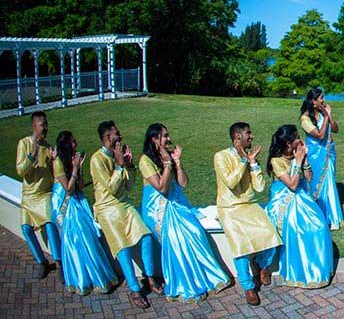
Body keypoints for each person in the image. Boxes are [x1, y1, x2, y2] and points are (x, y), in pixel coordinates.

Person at [139, 123, 230, 302]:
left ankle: (206, 277)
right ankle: (185, 283)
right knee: (175, 237)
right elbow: (162, 188)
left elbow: (183, 184)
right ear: (154, 139)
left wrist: (177, 163)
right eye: (165, 136)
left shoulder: (167, 155)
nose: (169, 139)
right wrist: (167, 164)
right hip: (157, 210)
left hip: (176, 204)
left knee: (195, 231)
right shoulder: (145, 161)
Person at [90, 120, 162, 309]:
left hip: (124, 204)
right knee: (122, 247)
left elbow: (129, 187)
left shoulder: (117, 155)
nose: (120, 135)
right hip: (106, 208)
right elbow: (112, 188)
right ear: (107, 137)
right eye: (117, 133)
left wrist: (129, 166)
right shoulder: (97, 159)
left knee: (145, 236)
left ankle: (150, 278)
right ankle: (134, 289)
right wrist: (120, 166)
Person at [214, 122, 281, 306]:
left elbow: (259, 187)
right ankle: (248, 286)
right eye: (248, 134)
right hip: (230, 208)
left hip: (250, 205)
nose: (251, 136)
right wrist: (244, 161)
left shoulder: (250, 158)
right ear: (237, 137)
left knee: (272, 236)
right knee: (240, 247)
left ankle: (260, 264)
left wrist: (253, 164)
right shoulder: (221, 156)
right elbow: (231, 182)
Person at [265, 125, 333, 288]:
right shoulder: (276, 161)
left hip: (302, 198)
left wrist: (305, 160)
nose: (300, 140)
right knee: (298, 228)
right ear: (288, 143)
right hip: (283, 200)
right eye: (296, 138)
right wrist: (297, 161)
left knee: (319, 226)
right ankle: (299, 272)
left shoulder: (298, 154)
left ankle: (317, 270)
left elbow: (308, 178)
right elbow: (292, 185)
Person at [50, 131, 118, 295]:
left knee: (88, 236)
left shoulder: (73, 159)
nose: (77, 143)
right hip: (64, 203)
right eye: (73, 142)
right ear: (67, 145)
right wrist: (75, 168)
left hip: (77, 198)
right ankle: (81, 279)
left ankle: (96, 277)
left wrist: (79, 168)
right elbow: (67, 188)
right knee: (75, 237)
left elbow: (79, 186)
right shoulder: (58, 162)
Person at [15, 111, 61, 280]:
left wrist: (55, 161)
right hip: (29, 196)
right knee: (26, 228)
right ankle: (41, 262)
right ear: (34, 126)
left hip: (44, 194)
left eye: (46, 124)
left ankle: (58, 262)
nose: (46, 128)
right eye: (43, 125)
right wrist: (31, 155)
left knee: (49, 224)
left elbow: (53, 175)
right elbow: (20, 171)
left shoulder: (48, 148)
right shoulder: (24, 144)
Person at [300, 88, 344, 230]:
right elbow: (319, 135)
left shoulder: (324, 113)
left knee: (329, 181)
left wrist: (329, 116)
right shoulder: (305, 119)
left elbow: (336, 130)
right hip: (315, 154)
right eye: (321, 98)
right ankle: (319, 216)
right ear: (313, 101)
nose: (323, 100)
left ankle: (332, 218)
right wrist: (326, 117)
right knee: (316, 183)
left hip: (329, 152)